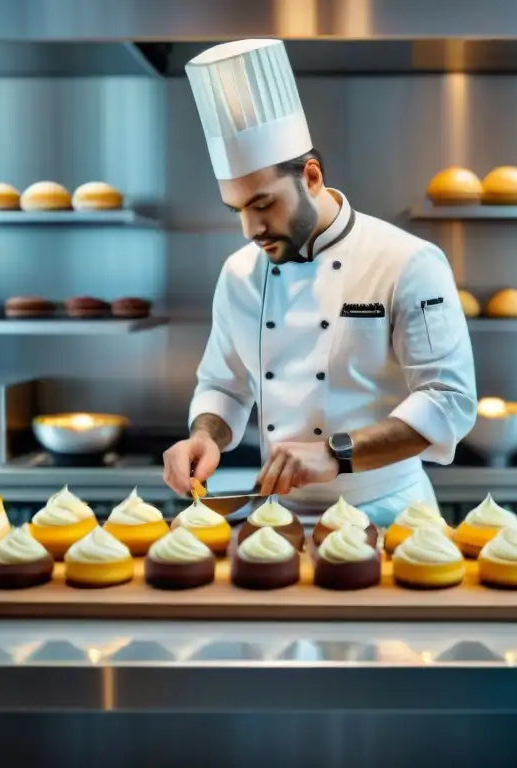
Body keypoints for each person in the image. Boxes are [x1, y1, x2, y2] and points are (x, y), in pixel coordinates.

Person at [161, 38, 477, 525]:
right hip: (276, 518)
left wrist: (335, 453)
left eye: (264, 205)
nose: (250, 230)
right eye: (238, 211)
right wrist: (205, 434)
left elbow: (449, 401)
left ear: (311, 177)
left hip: (390, 514)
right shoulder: (239, 274)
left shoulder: (408, 262)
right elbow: (224, 384)